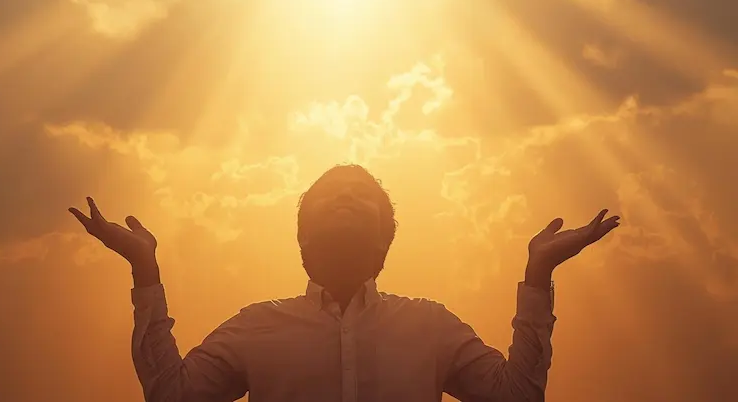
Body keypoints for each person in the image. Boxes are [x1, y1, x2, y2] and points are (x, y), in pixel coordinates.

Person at [69, 163, 619, 402]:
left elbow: (518, 399)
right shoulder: (255, 327)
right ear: (302, 238)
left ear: (386, 241)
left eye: (363, 197)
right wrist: (144, 271)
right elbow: (172, 397)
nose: (348, 197)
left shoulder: (430, 326)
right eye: (332, 195)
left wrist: (538, 276)